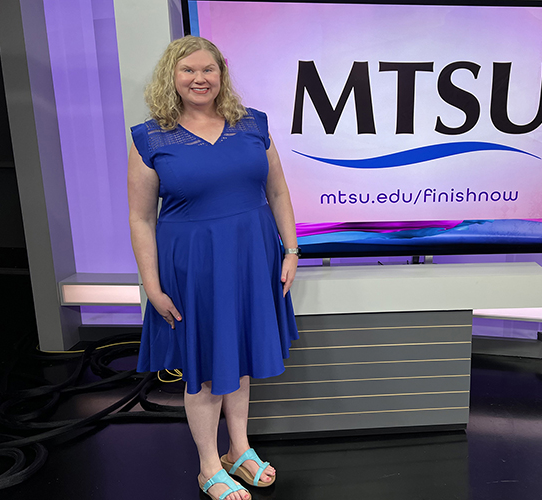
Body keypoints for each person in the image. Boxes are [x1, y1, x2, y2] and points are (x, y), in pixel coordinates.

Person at [127, 35, 299, 500]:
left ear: (221, 73)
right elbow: (141, 218)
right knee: (204, 367)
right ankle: (208, 466)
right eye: (188, 70)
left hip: (250, 257)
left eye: (208, 69)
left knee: (238, 356)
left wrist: (290, 250)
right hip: (194, 268)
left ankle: (238, 450)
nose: (199, 78)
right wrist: (152, 286)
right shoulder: (151, 137)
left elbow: (278, 192)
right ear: (172, 77)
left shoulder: (253, 125)